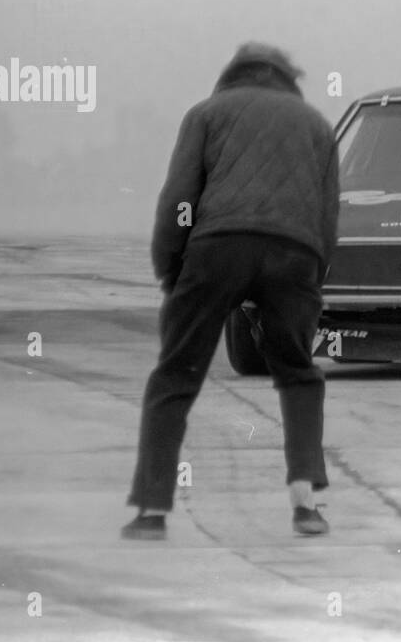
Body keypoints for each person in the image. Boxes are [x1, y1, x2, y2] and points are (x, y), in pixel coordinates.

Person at [123, 42, 340, 540]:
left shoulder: (206, 113)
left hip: (218, 247)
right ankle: (306, 504)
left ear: (233, 75)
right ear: (288, 78)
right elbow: (328, 219)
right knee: (298, 374)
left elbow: (179, 200)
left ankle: (152, 512)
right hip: (295, 252)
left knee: (176, 373)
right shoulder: (317, 125)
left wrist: (172, 271)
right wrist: (310, 282)